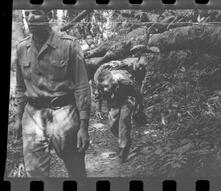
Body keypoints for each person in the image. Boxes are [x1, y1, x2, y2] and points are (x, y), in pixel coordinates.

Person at [13, 10, 91, 177]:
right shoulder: (21, 48)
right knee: (34, 172)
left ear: (48, 17)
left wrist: (84, 127)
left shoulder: (69, 45)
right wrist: (18, 118)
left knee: (75, 166)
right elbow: (20, 88)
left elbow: (82, 86)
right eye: (27, 14)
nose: (31, 17)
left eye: (37, 12)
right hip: (32, 115)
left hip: (65, 113)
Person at [94, 68, 145, 163]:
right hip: (114, 101)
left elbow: (137, 93)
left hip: (128, 98)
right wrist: (98, 110)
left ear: (113, 81)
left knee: (124, 120)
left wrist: (140, 107)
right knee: (113, 126)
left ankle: (124, 150)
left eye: (106, 86)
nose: (104, 89)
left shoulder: (125, 82)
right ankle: (124, 139)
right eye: (103, 86)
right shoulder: (100, 84)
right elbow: (98, 96)